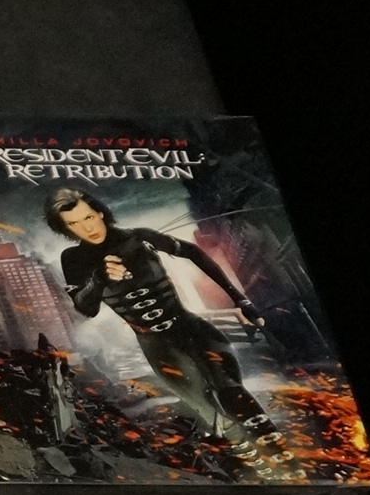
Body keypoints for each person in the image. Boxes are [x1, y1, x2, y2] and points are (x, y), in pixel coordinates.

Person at [42, 186, 295, 478]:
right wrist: (99, 278)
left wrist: (241, 300)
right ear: (65, 228)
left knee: (232, 391)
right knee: (211, 412)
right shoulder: (73, 259)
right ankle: (263, 471)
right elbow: (86, 308)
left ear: (99, 212)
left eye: (88, 217)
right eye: (73, 223)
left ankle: (286, 465)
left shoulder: (140, 236)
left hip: (192, 328)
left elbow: (194, 253)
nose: (87, 228)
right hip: (157, 345)